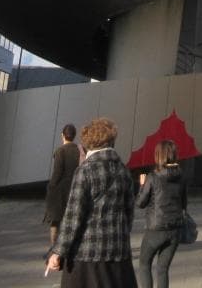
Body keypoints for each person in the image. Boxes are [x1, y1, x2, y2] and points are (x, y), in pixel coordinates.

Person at [47, 118, 136, 287]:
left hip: (87, 256)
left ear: (88, 142)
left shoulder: (85, 171)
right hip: (119, 256)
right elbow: (129, 213)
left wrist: (58, 251)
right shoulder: (124, 171)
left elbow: (74, 217)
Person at [136, 139, 187, 288]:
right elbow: (184, 203)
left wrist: (141, 186)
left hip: (156, 228)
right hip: (175, 228)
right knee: (163, 269)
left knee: (144, 264)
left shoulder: (153, 177)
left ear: (159, 155)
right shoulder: (182, 176)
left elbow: (140, 203)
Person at [45, 124, 81, 246]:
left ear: (62, 135)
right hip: (75, 189)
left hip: (60, 192)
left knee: (55, 222)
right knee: (71, 221)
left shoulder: (60, 151)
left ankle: (54, 249)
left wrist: (50, 187)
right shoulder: (79, 150)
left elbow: (57, 174)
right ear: (74, 136)